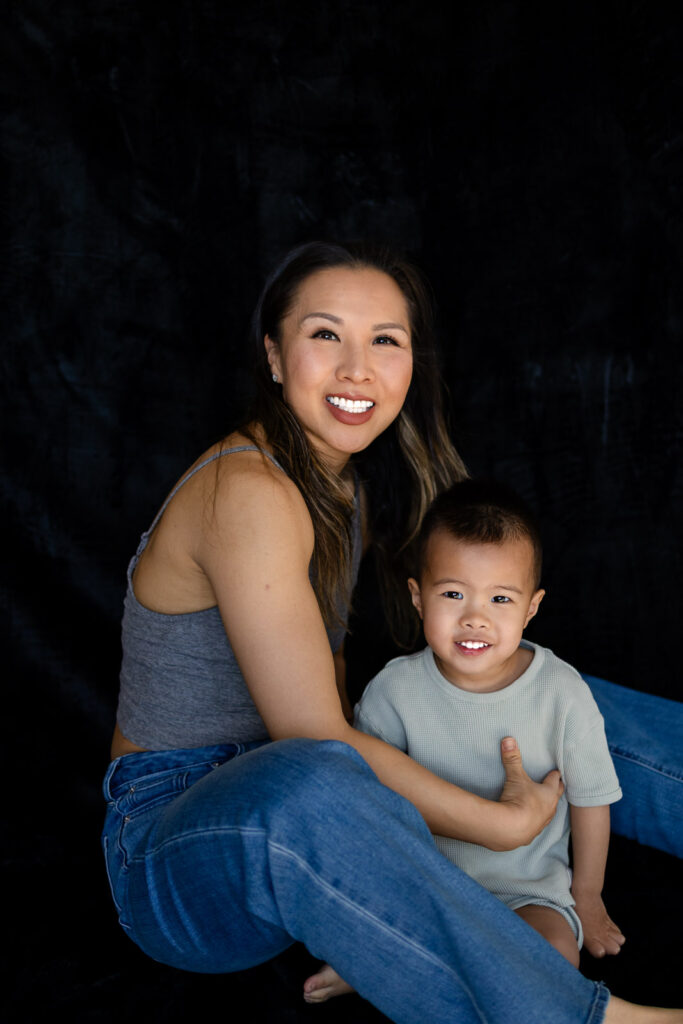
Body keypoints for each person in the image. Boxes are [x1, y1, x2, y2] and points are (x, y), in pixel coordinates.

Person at [102, 240, 683, 1024]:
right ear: (273, 356)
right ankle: (587, 1016)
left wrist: (380, 909)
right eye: (323, 335)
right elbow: (311, 735)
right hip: (177, 854)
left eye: (385, 340)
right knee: (313, 777)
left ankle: (395, 931)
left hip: (319, 826)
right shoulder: (246, 490)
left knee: (550, 693)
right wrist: (500, 822)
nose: (356, 368)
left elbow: (334, 721)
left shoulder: (338, 488)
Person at [354, 479, 625, 969]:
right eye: (454, 594)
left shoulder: (562, 692)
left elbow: (591, 800)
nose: (475, 618)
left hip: (527, 893)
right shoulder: (392, 694)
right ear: (418, 598)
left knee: (555, 954)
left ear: (532, 607)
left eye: (500, 600)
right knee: (380, 937)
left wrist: (588, 894)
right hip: (427, 893)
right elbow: (369, 812)